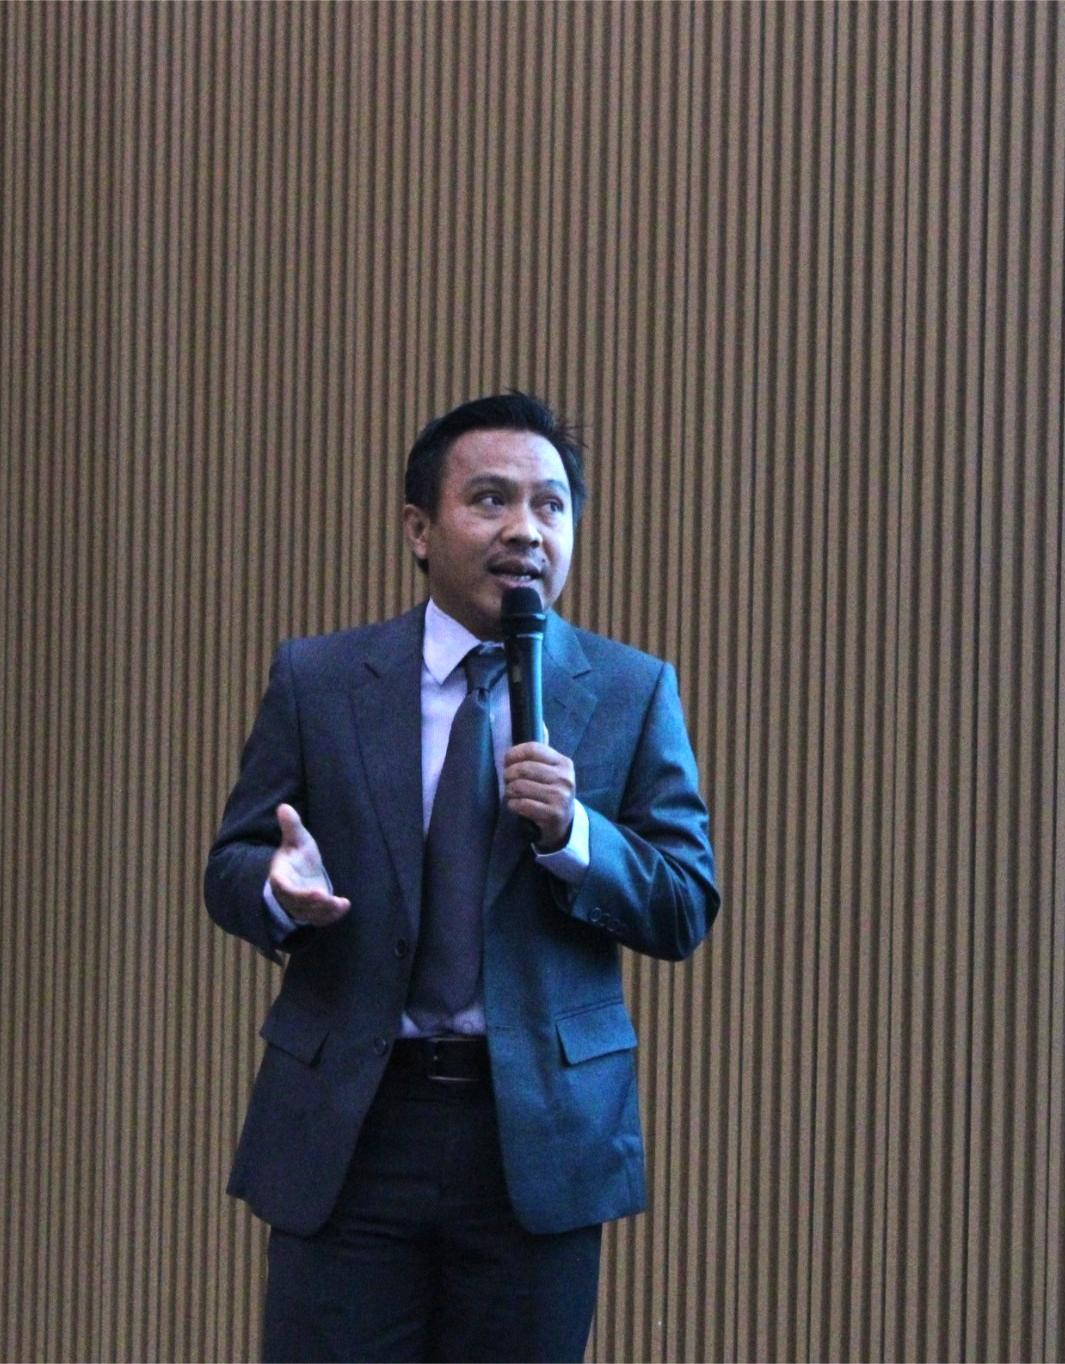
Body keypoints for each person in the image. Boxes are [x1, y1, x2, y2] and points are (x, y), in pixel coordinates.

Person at [203, 391, 721, 1362]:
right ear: (419, 528)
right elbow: (229, 864)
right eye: (490, 499)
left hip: (535, 1135)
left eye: (550, 505)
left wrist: (575, 833)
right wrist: (276, 886)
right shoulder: (321, 680)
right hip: (354, 1126)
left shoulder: (628, 688)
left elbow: (683, 901)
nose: (525, 529)